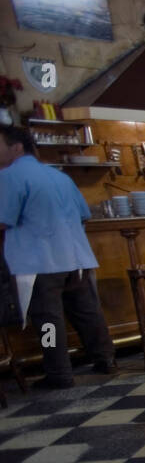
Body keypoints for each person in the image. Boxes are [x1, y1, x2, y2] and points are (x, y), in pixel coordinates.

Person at [0, 126, 117, 388]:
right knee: (87, 312)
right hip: (76, 256)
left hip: (39, 260)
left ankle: (59, 374)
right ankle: (106, 358)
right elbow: (84, 214)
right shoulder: (59, 176)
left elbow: (3, 219)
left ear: (17, 147)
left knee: (47, 320)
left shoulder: (9, 176)